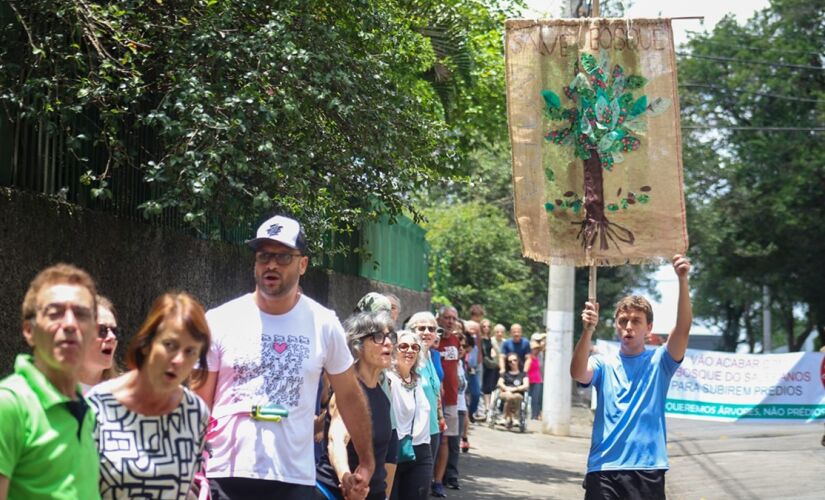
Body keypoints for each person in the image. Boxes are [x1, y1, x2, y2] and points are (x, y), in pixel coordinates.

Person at [195, 214, 374, 499]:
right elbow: (198, 400)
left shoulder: (324, 323)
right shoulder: (219, 320)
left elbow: (350, 396)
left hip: (292, 477)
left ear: (303, 264)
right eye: (264, 255)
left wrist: (366, 460)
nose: (272, 264)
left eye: (283, 256)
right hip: (224, 473)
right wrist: (188, 465)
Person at [571, 254, 692, 500]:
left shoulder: (661, 362)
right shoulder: (603, 363)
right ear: (615, 325)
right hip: (604, 469)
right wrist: (587, 331)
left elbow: (683, 328)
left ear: (648, 328)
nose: (628, 326)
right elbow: (577, 372)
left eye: (636, 321)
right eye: (623, 321)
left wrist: (682, 280)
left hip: (647, 470)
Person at [87, 292, 211, 499]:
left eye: (190, 351)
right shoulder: (98, 405)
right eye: (170, 345)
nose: (178, 360)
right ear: (146, 344)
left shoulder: (196, 413)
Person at [0, 264, 101, 500]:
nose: (69, 324)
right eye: (54, 313)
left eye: (81, 314)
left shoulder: (85, 410)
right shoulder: (9, 405)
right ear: (29, 330)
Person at [317, 312, 398, 500]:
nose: (388, 343)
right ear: (358, 345)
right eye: (378, 337)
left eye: (390, 337)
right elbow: (336, 441)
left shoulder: (382, 394)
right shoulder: (349, 392)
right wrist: (347, 479)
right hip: (336, 493)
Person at [386, 330, 432, 500]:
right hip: (393, 451)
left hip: (421, 450)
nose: (410, 350)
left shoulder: (419, 380)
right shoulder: (388, 379)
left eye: (415, 347)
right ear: (393, 350)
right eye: (403, 346)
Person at [405, 313, 444, 488]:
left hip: (432, 429)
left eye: (432, 329)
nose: (427, 332)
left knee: (422, 487)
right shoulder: (408, 357)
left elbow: (435, 391)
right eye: (421, 328)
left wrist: (441, 416)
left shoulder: (429, 357)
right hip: (411, 432)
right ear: (411, 331)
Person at [431, 307, 460, 498]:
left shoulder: (456, 340)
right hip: (434, 398)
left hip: (451, 399)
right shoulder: (433, 340)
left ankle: (439, 481)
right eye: (446, 317)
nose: (450, 321)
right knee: (433, 439)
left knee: (446, 440)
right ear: (439, 318)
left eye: (453, 318)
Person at [79, 295, 120, 393]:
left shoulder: (123, 396)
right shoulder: (49, 392)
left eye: (115, 331)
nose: (112, 337)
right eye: (102, 331)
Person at [497, 354, 530, 429]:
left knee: (515, 397)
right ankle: (512, 418)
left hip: (518, 393)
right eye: (510, 361)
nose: (513, 362)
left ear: (518, 361)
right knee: (509, 397)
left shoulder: (523, 374)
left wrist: (515, 389)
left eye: (515, 360)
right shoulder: (505, 374)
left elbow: (526, 385)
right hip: (505, 392)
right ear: (508, 363)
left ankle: (507, 418)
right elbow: (500, 383)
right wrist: (507, 389)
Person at [480, 319, 499, 419]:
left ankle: (488, 408)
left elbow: (495, 351)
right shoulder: (479, 339)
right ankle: (484, 408)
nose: (486, 328)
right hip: (482, 364)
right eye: (484, 326)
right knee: (482, 386)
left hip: (490, 364)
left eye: (488, 326)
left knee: (489, 387)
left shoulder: (491, 339)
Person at [464, 320, 482, 423]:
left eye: (475, 329)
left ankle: (471, 413)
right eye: (472, 329)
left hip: (472, 370)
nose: (473, 331)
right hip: (463, 369)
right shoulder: (461, 337)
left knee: (476, 393)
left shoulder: (475, 342)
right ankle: (466, 415)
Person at [526, 340, 544, 420]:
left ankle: (534, 415)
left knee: (535, 399)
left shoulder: (539, 357)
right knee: (526, 397)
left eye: (536, 349)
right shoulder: (527, 357)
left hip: (537, 380)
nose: (535, 350)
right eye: (533, 349)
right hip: (528, 379)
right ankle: (526, 414)